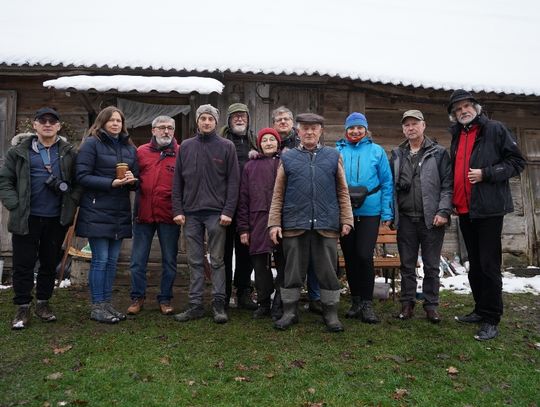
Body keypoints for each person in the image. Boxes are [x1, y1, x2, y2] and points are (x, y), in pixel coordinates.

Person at [448, 90, 525, 340]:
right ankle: (480, 310)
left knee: (489, 265)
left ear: (476, 108)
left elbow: (517, 162)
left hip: (489, 209)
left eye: (467, 106)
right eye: (458, 109)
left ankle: (492, 318)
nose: (463, 111)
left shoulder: (494, 129)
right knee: (475, 264)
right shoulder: (457, 135)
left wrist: (486, 173)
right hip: (465, 209)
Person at [268, 113, 353, 332]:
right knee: (292, 271)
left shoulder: (333, 156)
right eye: (305, 128)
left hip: (326, 224)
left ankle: (331, 313)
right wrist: (274, 223)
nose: (309, 132)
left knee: (327, 271)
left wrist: (346, 219)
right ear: (298, 131)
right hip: (295, 223)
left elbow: (342, 191)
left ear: (321, 131)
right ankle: (289, 312)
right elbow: (278, 194)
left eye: (314, 128)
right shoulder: (287, 158)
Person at [0, 107, 80, 329]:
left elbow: (78, 182)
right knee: (23, 263)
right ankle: (22, 306)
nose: (47, 124)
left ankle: (43, 303)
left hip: (56, 217)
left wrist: (72, 200)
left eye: (52, 121)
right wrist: (14, 205)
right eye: (42, 121)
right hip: (26, 217)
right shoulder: (18, 152)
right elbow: (4, 180)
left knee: (48, 262)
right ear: (34, 125)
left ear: (58, 126)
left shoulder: (68, 153)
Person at [172, 104, 239, 324]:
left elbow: (233, 182)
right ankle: (195, 304)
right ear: (197, 121)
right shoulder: (186, 147)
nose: (207, 122)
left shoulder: (226, 147)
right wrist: (178, 209)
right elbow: (177, 182)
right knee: (194, 261)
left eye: (211, 118)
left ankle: (218, 304)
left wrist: (228, 210)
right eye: (203, 118)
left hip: (216, 214)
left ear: (216, 122)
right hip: (191, 214)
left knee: (218, 260)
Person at [76, 106, 138, 324]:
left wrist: (132, 180)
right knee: (100, 260)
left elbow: (135, 178)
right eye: (111, 120)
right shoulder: (92, 144)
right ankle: (97, 305)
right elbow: (82, 176)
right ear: (102, 122)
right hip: (96, 208)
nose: (115, 124)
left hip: (119, 210)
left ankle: (107, 303)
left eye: (119, 121)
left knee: (112, 262)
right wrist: (110, 183)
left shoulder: (129, 147)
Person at [390, 110, 453, 323]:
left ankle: (431, 305)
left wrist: (443, 211)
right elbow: (392, 188)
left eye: (414, 124)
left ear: (423, 126)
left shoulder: (438, 153)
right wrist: (392, 213)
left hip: (432, 219)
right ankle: (407, 304)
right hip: (406, 218)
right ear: (403, 129)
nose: (411, 128)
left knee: (431, 265)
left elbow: (447, 185)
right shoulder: (398, 154)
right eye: (406, 125)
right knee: (407, 265)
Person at [336, 112, 393, 323]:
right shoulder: (338, 152)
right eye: (351, 128)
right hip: (345, 211)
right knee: (350, 257)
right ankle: (356, 300)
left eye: (359, 127)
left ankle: (368, 303)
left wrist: (387, 212)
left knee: (363, 255)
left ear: (366, 129)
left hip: (370, 211)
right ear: (346, 130)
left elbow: (387, 183)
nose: (355, 131)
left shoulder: (377, 151)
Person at [127, 115, 180, 316]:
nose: (166, 131)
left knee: (169, 260)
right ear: (153, 130)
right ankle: (137, 297)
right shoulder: (141, 152)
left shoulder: (180, 152)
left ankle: (165, 298)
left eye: (170, 128)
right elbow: (133, 179)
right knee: (138, 260)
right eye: (162, 127)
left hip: (169, 215)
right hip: (144, 214)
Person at [272, 106, 322, 315]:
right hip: (282, 210)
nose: (283, 122)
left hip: (310, 212)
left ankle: (316, 298)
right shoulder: (269, 142)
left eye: (286, 119)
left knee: (313, 259)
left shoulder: (303, 146)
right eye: (279, 119)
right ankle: (282, 302)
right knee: (287, 262)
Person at [237, 128, 283, 319]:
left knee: (284, 263)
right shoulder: (250, 166)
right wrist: (244, 228)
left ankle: (280, 302)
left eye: (273, 139)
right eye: (265, 140)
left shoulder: (285, 163)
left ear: (278, 143)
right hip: (257, 220)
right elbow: (243, 198)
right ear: (259, 144)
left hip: (283, 220)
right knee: (260, 264)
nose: (269, 143)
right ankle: (264, 302)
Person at [220, 103, 257, 310]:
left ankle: (244, 292)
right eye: (235, 117)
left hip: (248, 205)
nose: (240, 119)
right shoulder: (222, 142)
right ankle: (223, 294)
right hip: (225, 205)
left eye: (243, 116)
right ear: (229, 120)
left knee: (246, 251)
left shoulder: (255, 142)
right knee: (223, 252)